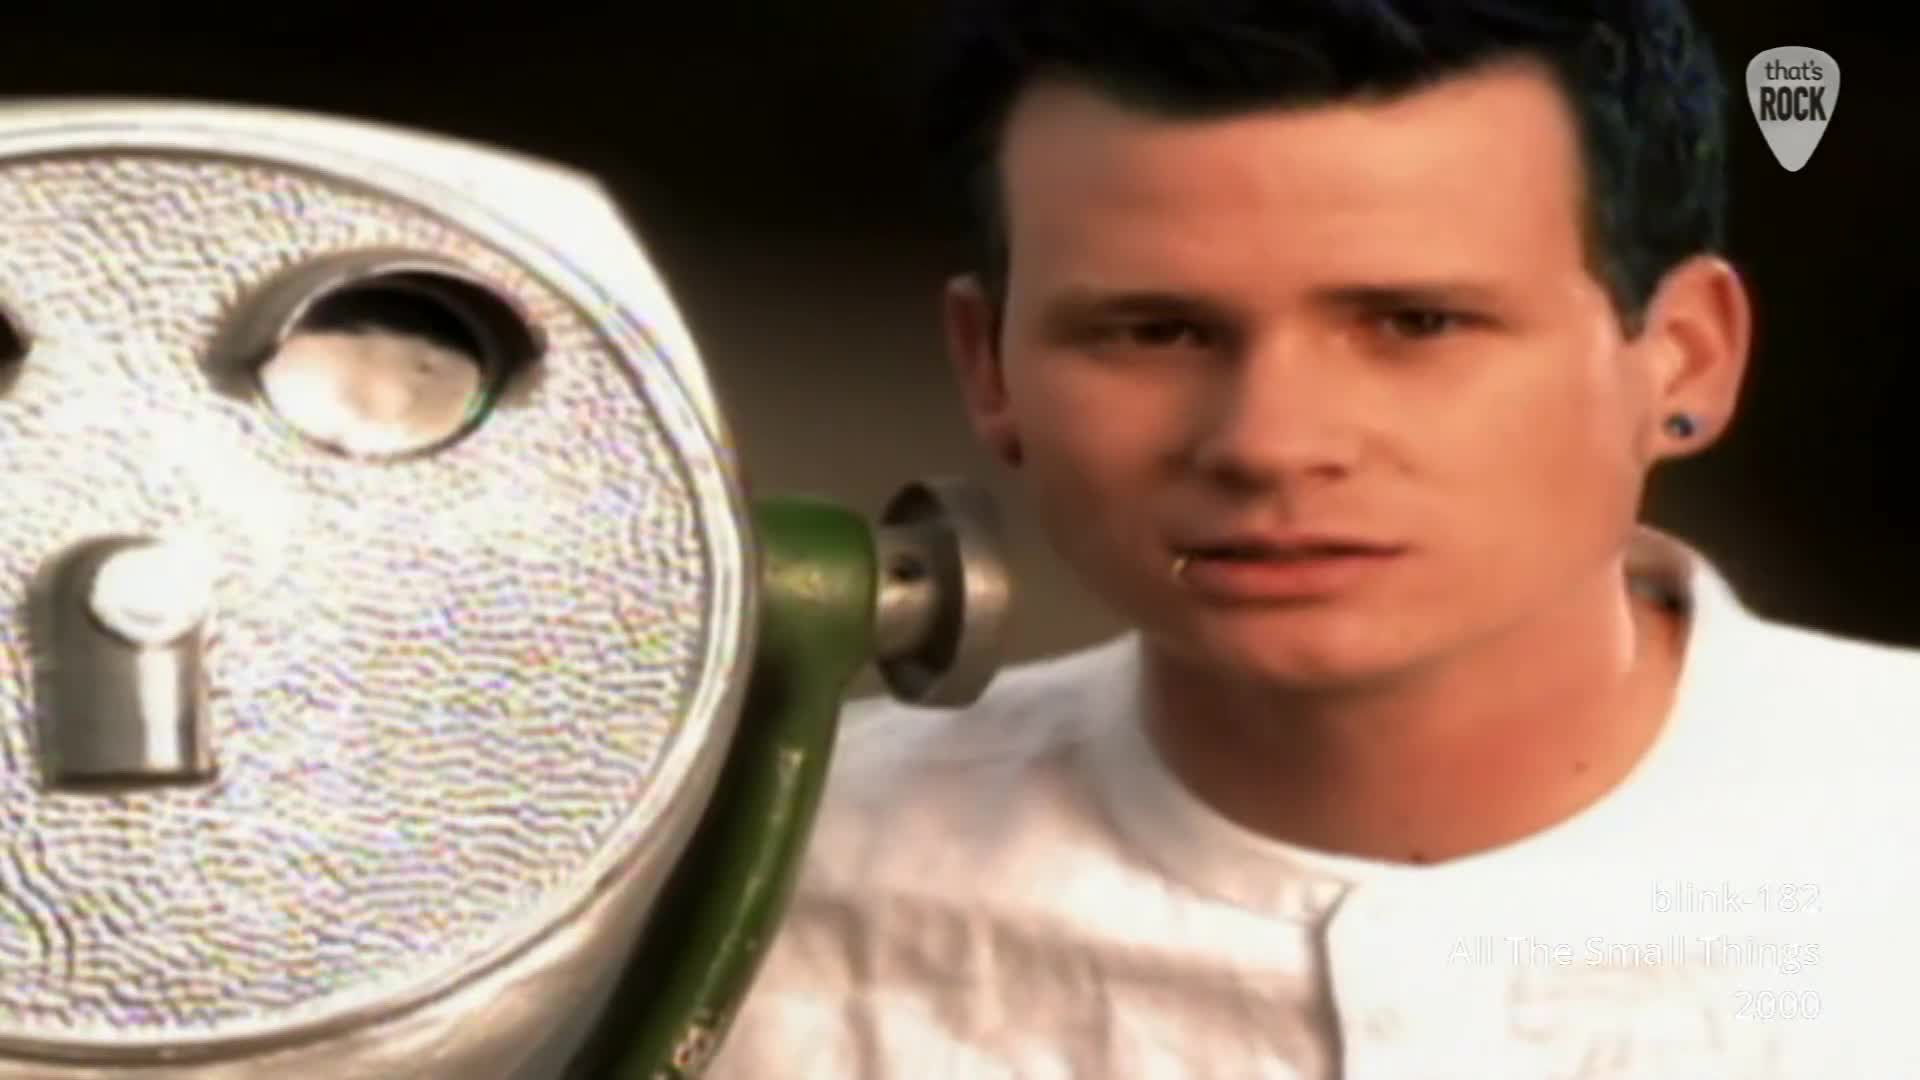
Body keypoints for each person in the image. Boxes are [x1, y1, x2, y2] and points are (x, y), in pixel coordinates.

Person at [709, 2, 1919, 1076]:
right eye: (1155, 331)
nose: (1270, 443)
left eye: (1416, 322)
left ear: (1686, 358)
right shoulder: (750, 885)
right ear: (990, 370)